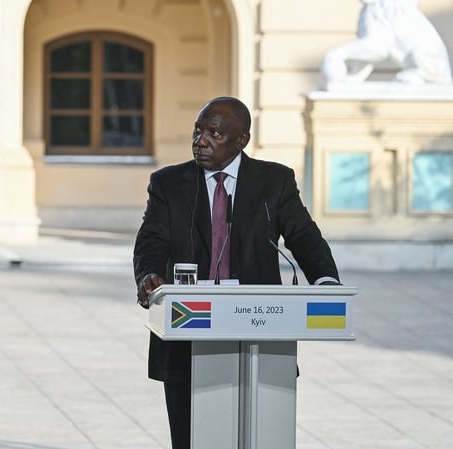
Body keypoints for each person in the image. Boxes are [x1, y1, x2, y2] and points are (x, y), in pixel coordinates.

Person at [133, 96, 339, 449]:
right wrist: (149, 274)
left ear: (241, 140)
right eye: (198, 131)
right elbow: (151, 239)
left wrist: (325, 280)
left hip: (258, 331)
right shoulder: (169, 183)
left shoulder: (273, 181)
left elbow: (303, 234)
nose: (201, 141)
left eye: (214, 134)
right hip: (188, 330)